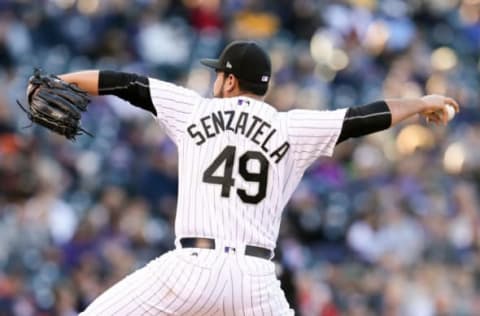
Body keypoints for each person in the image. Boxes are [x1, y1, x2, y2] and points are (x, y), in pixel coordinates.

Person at [57, 41, 459, 315]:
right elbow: (362, 117)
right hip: (255, 282)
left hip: (190, 269)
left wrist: (67, 80)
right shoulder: (291, 127)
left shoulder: (195, 110)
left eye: (219, 75)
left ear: (230, 81)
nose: (216, 81)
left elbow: (125, 83)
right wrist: (420, 103)